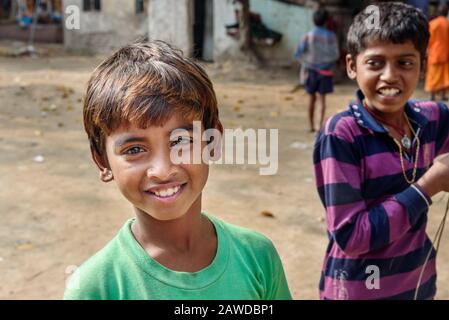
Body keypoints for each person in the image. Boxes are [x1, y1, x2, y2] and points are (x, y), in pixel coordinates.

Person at [63, 40, 292, 300]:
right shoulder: (95, 288)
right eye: (134, 150)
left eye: (181, 141)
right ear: (102, 162)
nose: (162, 170)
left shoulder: (258, 257)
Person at [314, 2, 449, 300]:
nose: (390, 76)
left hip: (417, 285)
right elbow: (353, 236)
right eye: (375, 63)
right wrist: (429, 186)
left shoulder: (431, 120)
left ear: (423, 66)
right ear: (352, 66)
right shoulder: (342, 134)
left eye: (405, 63)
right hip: (357, 290)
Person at [294, 8, 339, 132]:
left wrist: (307, 63)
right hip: (325, 72)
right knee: (322, 99)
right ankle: (319, 127)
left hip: (311, 71)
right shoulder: (331, 36)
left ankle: (310, 126)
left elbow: (298, 53)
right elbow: (335, 54)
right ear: (326, 21)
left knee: (311, 98)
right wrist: (326, 63)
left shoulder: (308, 36)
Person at [425, 4, 449, 101]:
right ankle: (443, 95)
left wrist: (427, 50)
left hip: (434, 53)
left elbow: (428, 39)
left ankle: (432, 96)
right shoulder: (447, 24)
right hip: (446, 53)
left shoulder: (432, 24)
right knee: (444, 76)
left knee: (433, 76)